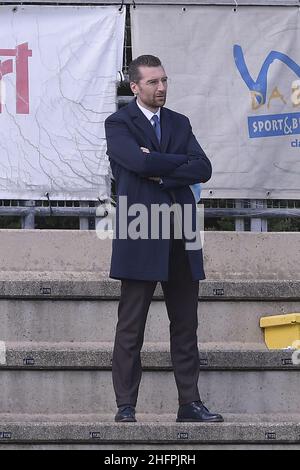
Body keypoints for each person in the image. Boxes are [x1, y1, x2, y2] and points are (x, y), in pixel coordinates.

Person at [104, 55, 223, 423]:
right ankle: (126, 406)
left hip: (181, 233)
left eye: (165, 80)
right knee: (131, 326)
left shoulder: (179, 122)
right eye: (154, 82)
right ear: (135, 87)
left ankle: (189, 403)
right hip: (141, 231)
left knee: (185, 325)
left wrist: (159, 168)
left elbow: (203, 167)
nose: (162, 88)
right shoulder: (118, 123)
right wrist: (174, 164)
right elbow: (135, 165)